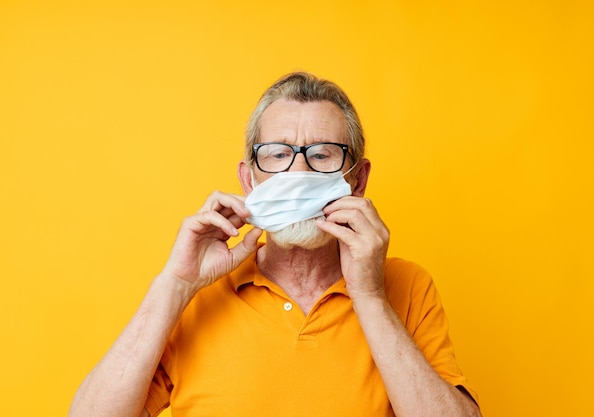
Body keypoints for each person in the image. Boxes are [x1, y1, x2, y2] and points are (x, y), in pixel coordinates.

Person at [69, 72, 482, 417]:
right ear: (249, 180)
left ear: (356, 179)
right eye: (278, 154)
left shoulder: (405, 286)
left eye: (322, 155)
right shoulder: (195, 296)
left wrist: (370, 296)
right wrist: (175, 285)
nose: (297, 170)